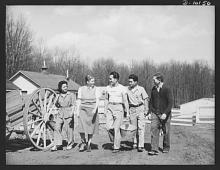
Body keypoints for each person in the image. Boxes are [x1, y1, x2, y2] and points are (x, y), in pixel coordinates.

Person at [104, 71, 130, 153]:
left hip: (119, 108)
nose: (110, 80)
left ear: (116, 79)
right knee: (108, 127)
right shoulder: (108, 88)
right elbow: (106, 99)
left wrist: (127, 112)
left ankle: (116, 147)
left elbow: (125, 100)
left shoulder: (122, 88)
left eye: (111, 79)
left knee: (116, 128)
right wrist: (105, 109)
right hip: (110, 108)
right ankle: (116, 139)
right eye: (109, 79)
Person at [148, 72, 173, 155]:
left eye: (154, 79)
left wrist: (165, 113)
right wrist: (149, 112)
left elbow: (170, 103)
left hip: (165, 113)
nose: (153, 81)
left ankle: (166, 147)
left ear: (159, 80)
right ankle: (154, 149)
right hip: (155, 113)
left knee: (166, 131)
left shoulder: (167, 89)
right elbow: (151, 102)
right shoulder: (153, 89)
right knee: (154, 129)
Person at [76, 75, 100, 152]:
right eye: (92, 81)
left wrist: (95, 109)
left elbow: (97, 100)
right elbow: (79, 100)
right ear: (87, 82)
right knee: (81, 127)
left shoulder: (96, 89)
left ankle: (89, 143)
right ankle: (83, 142)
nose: (94, 82)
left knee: (91, 127)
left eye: (94, 81)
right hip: (83, 109)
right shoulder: (81, 89)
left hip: (92, 109)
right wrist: (77, 111)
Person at [51, 80, 76, 151]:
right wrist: (55, 100)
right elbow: (56, 104)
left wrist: (72, 113)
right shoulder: (58, 95)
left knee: (69, 130)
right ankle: (58, 144)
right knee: (57, 128)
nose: (66, 88)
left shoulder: (71, 94)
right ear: (60, 87)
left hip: (69, 112)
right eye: (64, 86)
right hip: (60, 113)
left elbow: (74, 105)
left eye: (66, 86)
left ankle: (70, 144)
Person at [126, 74, 149, 152]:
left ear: (136, 82)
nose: (129, 83)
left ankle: (141, 145)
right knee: (133, 128)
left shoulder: (141, 89)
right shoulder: (127, 89)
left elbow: (146, 99)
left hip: (140, 108)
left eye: (131, 82)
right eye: (129, 81)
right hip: (132, 109)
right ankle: (135, 142)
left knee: (141, 127)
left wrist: (146, 109)